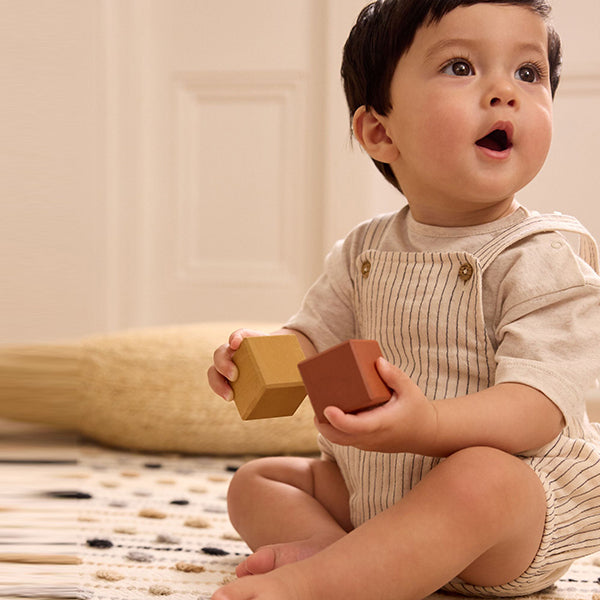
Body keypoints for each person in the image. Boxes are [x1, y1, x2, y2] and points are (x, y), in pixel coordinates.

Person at [207, 1, 600, 599]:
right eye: (462, 67)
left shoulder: (543, 255)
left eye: (528, 73)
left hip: (509, 518)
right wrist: (256, 359)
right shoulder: (362, 251)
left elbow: (537, 406)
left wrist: (430, 423)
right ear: (380, 132)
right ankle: (352, 558)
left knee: (481, 475)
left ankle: (324, 585)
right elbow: (312, 341)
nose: (505, 93)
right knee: (256, 482)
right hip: (380, 488)